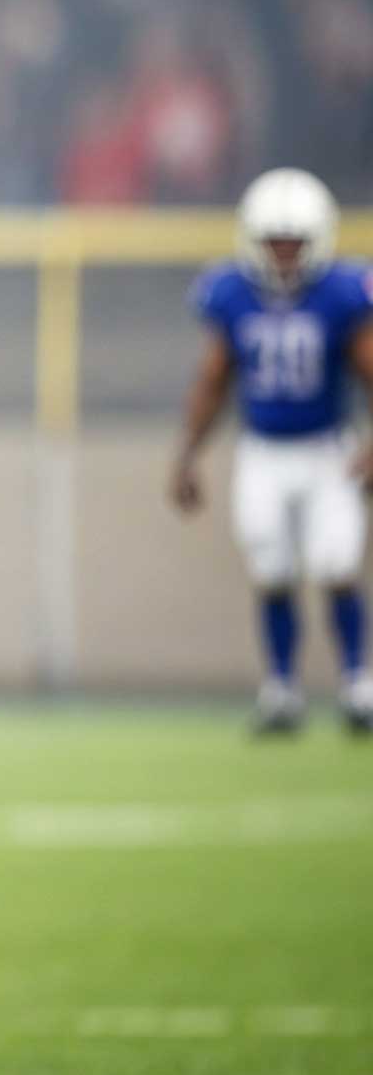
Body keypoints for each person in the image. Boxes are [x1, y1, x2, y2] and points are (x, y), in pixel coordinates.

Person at [171, 168, 373, 735]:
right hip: (262, 451)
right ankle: (282, 690)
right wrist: (187, 453)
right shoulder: (231, 293)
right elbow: (213, 380)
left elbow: (369, 371)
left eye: (294, 243)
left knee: (337, 564)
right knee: (273, 570)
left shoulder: (341, 293)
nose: (283, 255)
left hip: (328, 448)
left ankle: (358, 686)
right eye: (273, 243)